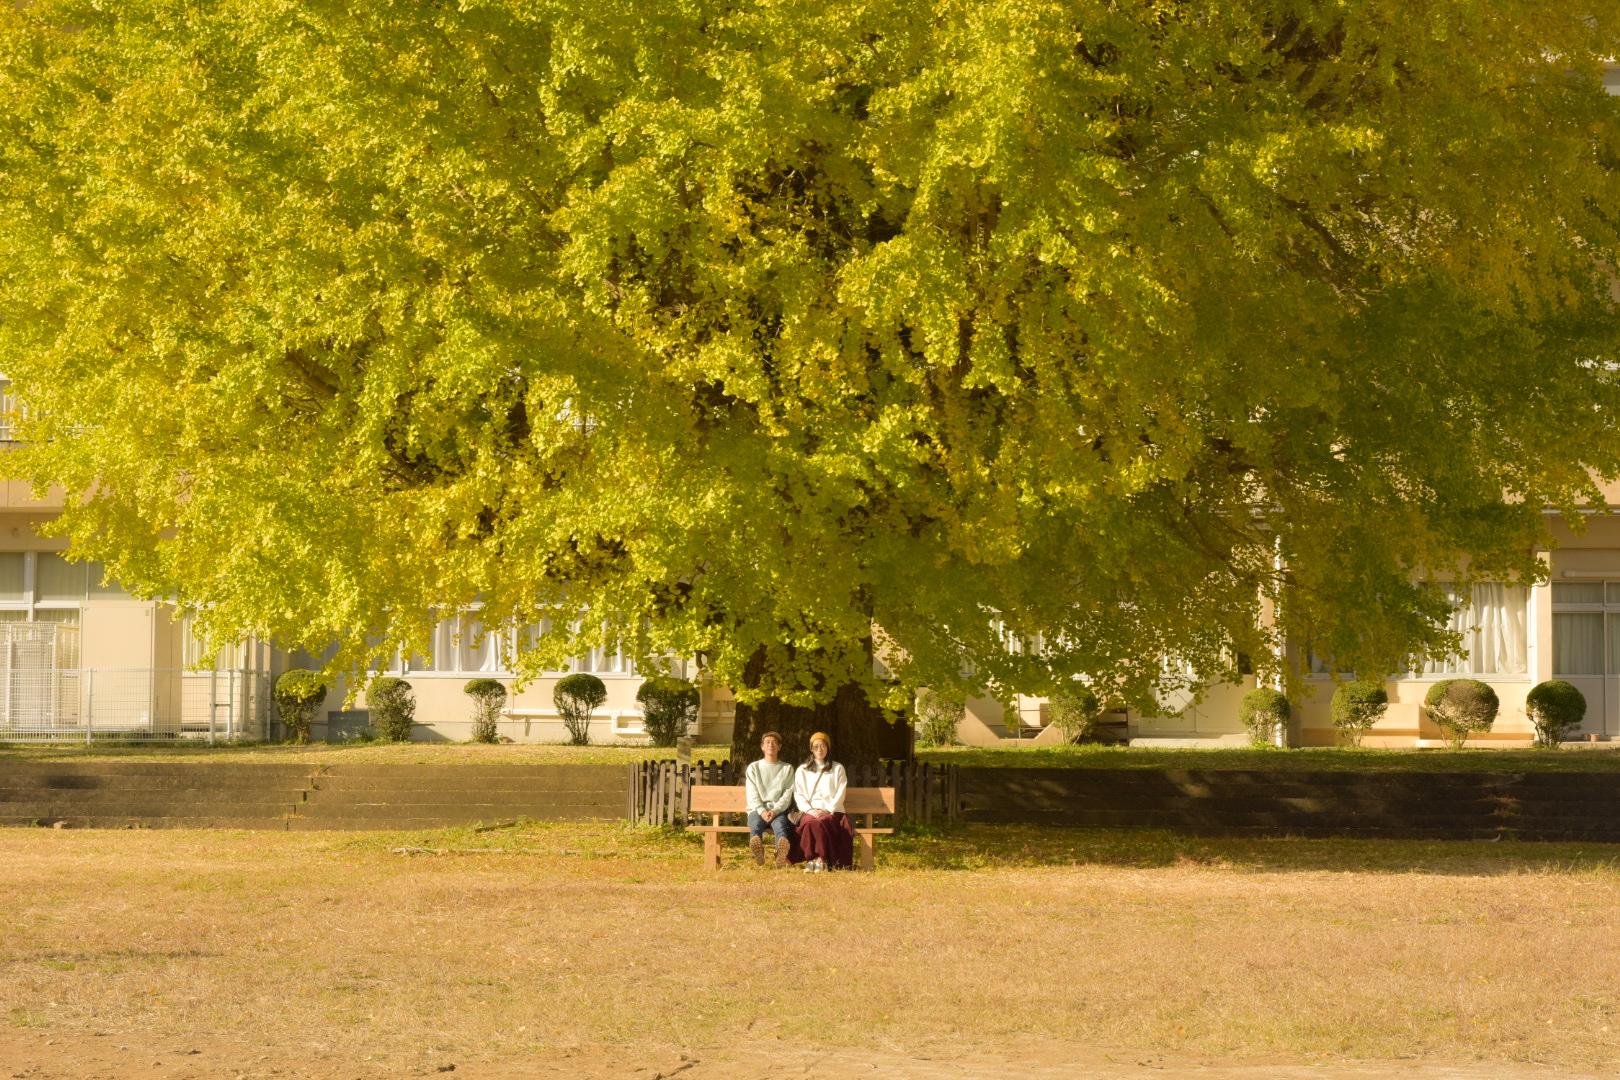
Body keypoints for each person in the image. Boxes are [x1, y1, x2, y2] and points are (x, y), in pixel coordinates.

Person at [792, 730, 854, 872]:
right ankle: (812, 859)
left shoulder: (838, 768)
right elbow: (799, 793)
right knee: (809, 822)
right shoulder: (802, 770)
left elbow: (840, 792)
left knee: (820, 822)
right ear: (811, 749)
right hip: (809, 810)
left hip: (831, 811)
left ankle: (820, 859)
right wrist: (810, 810)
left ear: (828, 748)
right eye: (816, 746)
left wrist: (826, 809)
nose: (819, 749)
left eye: (823, 746)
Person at [744, 730, 796, 867]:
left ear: (779, 747)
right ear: (762, 746)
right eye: (767, 742)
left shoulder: (787, 769)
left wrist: (776, 810)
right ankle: (758, 851)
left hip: (778, 811)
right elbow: (752, 793)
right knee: (755, 825)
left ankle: (780, 853)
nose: (770, 745)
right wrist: (762, 811)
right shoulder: (753, 768)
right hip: (757, 810)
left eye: (774, 742)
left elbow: (787, 794)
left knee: (780, 826)